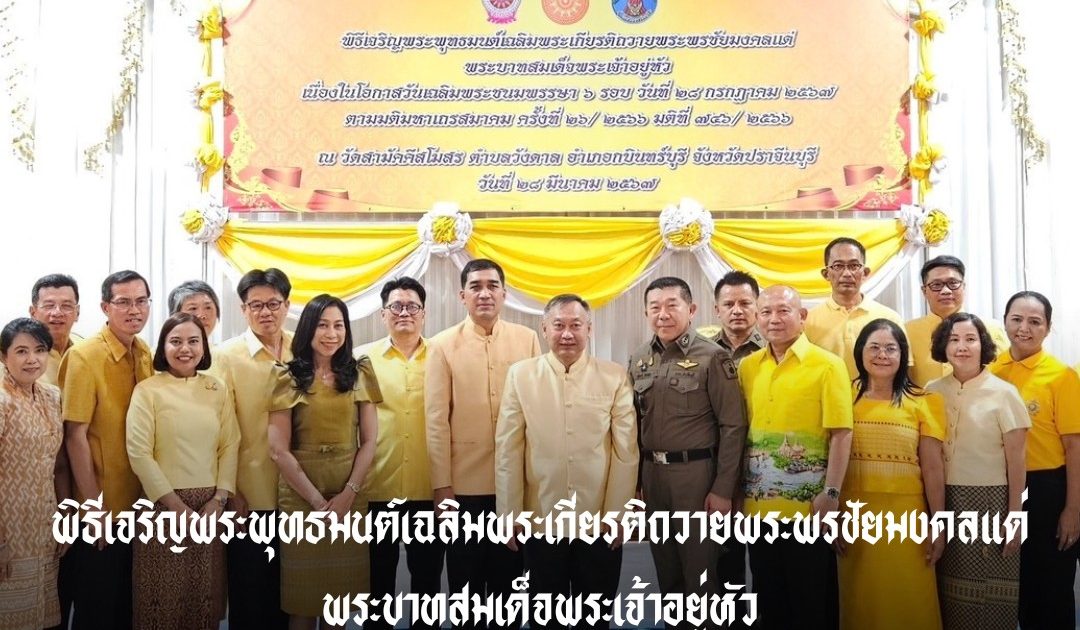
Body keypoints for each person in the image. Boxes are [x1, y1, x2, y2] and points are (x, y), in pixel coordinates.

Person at [495, 294, 638, 630]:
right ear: (544, 329)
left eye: (576, 325)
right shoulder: (521, 375)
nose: (567, 334)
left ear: (589, 329)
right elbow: (508, 449)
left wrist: (617, 515)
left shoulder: (614, 375)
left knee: (595, 618)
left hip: (598, 523)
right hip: (540, 520)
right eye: (558, 325)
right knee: (545, 618)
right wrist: (509, 514)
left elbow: (626, 452)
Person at [425, 258, 540, 629]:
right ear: (462, 296)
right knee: (466, 588)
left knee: (510, 588)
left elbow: (538, 412)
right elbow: (436, 422)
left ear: (504, 294)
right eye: (475, 286)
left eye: (493, 286)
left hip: (516, 488)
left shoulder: (527, 338)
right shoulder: (441, 345)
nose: (485, 293)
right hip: (463, 490)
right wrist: (442, 488)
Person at [627, 276, 747, 630]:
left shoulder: (713, 357)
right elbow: (633, 425)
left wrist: (723, 489)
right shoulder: (639, 359)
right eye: (654, 307)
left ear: (691, 309)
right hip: (653, 477)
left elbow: (733, 426)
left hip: (697, 477)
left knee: (701, 575)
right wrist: (635, 485)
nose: (663, 314)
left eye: (672, 305)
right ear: (646, 313)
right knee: (667, 572)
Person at [739, 285, 853, 630]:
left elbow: (841, 433)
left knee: (811, 601)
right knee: (770, 598)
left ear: (802, 316)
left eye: (783, 311)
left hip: (809, 509)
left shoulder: (827, 365)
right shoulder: (748, 367)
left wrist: (831, 493)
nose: (774, 319)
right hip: (759, 509)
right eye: (766, 312)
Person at [268, 294, 380, 628]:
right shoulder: (286, 376)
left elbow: (370, 441)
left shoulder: (359, 372)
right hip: (301, 497)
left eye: (338, 325)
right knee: (302, 604)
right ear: (308, 329)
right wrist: (318, 503)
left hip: (349, 494)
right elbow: (278, 450)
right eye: (322, 325)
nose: (331, 334)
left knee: (338, 605)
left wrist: (348, 495)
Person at [126, 312, 239, 630]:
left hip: (209, 510)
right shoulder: (147, 390)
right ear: (163, 347)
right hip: (161, 508)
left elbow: (230, 444)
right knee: (161, 603)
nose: (185, 348)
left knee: (202, 599)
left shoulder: (216, 388)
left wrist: (219, 499)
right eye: (175, 341)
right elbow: (139, 452)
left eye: (193, 341)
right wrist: (176, 507)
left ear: (204, 347)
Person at [836, 319, 945, 630]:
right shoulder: (842, 396)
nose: (882, 355)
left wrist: (939, 523)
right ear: (860, 353)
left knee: (910, 600)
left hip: (907, 521)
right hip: (854, 517)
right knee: (861, 602)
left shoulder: (926, 401)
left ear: (902, 355)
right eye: (874, 347)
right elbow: (830, 456)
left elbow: (933, 467)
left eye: (890, 348)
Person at [59, 269, 154, 629]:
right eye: (124, 302)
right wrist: (93, 508)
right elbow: (75, 436)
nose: (134, 310)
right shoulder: (85, 356)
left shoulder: (143, 351)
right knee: (96, 609)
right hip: (101, 506)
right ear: (104, 307)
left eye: (141, 301)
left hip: (137, 503)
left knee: (127, 607)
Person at [925, 313, 1029, 630]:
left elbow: (1017, 462)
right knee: (946, 592)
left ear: (983, 345)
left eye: (970, 339)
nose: (962, 347)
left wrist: (1015, 518)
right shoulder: (931, 391)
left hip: (990, 504)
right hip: (942, 500)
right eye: (954, 339)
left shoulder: (1004, 393)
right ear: (943, 346)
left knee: (988, 596)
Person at [354, 277, 443, 630]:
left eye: (412, 306)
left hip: (429, 487)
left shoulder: (442, 356)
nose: (404, 312)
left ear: (424, 313)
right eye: (396, 306)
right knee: (377, 585)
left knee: (427, 583)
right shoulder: (362, 358)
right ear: (383, 314)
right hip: (377, 487)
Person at [988, 292, 1080, 629]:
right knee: (1014, 588)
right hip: (1001, 490)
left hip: (1048, 491)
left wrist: (1073, 510)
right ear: (1005, 321)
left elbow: (1074, 447)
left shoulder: (1061, 376)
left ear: (1048, 328)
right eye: (1016, 319)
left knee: (1050, 590)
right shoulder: (991, 371)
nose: (1023, 328)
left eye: (1034, 321)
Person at [212, 267, 292, 629]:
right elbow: (222, 431)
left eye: (273, 304)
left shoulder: (304, 348)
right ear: (243, 309)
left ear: (287, 305)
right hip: (249, 497)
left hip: (300, 495)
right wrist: (230, 491)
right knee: (250, 594)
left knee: (291, 597)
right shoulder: (226, 357)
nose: (265, 312)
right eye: (255, 305)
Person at [0, 318, 68, 629]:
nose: (32, 359)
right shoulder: (2, 400)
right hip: (8, 531)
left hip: (44, 525)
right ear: (4, 356)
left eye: (40, 350)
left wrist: (64, 518)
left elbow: (58, 464)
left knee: (43, 616)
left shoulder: (52, 396)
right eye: (21, 351)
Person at [805, 237, 906, 378]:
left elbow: (903, 370)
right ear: (826, 274)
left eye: (854, 266)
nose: (847, 274)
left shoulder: (890, 318)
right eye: (838, 266)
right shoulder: (808, 321)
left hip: (874, 393)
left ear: (865, 272)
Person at [906, 256, 1008, 387]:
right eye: (936, 285)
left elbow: (1006, 375)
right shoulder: (908, 331)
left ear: (963, 286)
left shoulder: (992, 328)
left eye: (953, 283)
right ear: (924, 291)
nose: (946, 291)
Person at [697, 270, 766, 364]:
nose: (737, 311)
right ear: (717, 310)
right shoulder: (702, 349)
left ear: (758, 307)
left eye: (745, 303)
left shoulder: (772, 347)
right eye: (729, 304)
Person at [27, 273, 82, 386]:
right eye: (49, 305)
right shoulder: (14, 355)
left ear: (77, 313)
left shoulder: (85, 348)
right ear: (33, 313)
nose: (57, 313)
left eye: (66, 306)